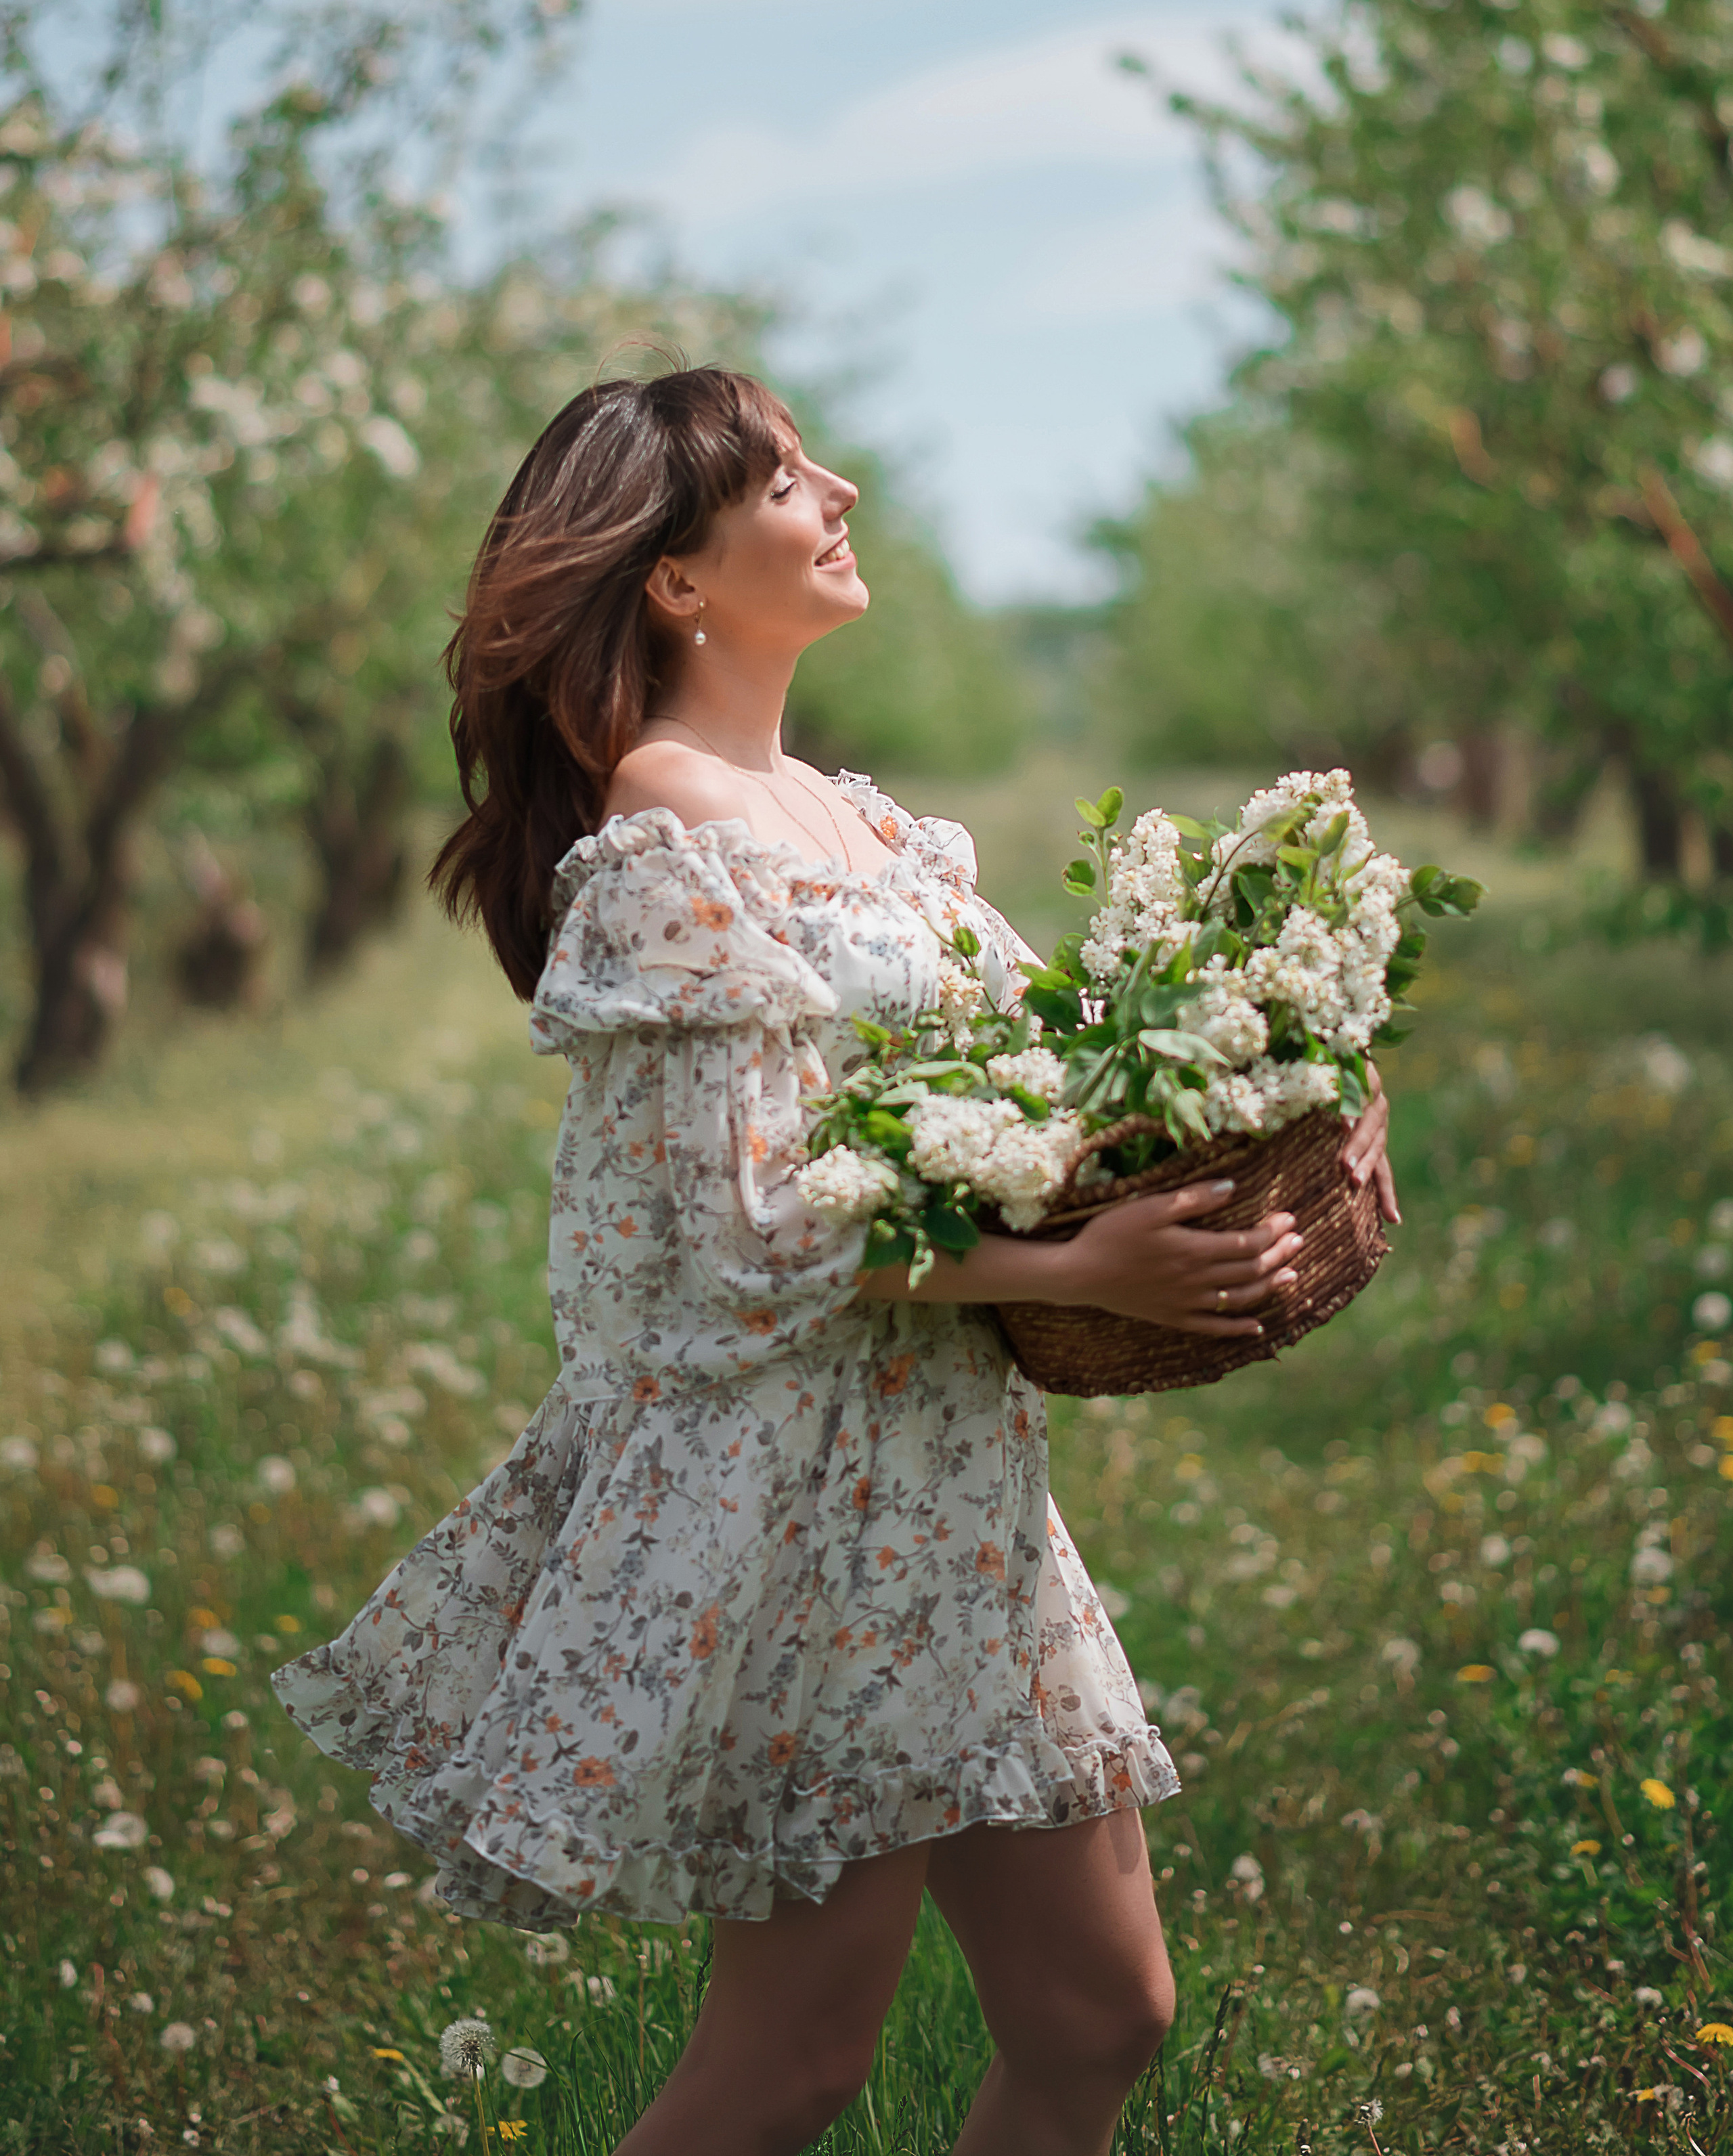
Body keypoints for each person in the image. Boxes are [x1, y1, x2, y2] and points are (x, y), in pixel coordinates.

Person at [271, 366, 1397, 2156]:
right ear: (680, 579)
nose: (843, 486)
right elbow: (723, 1226)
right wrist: (1074, 1266)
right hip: (799, 1509)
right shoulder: (667, 839)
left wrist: (1289, 1074)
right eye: (791, 477)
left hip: (954, 1486)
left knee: (1101, 2019)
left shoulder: (869, 826)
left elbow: (1063, 1065)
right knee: (791, 2070)